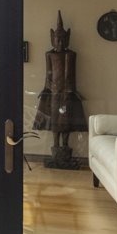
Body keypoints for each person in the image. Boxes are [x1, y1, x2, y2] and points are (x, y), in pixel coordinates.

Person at [32, 11, 86, 165]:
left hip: (67, 94)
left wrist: (71, 91)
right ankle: (56, 147)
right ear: (52, 40)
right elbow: (48, 74)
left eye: (63, 40)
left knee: (66, 121)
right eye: (57, 40)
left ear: (67, 39)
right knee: (55, 121)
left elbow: (72, 75)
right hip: (54, 94)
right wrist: (46, 89)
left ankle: (65, 146)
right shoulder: (50, 55)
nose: (60, 43)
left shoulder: (71, 55)